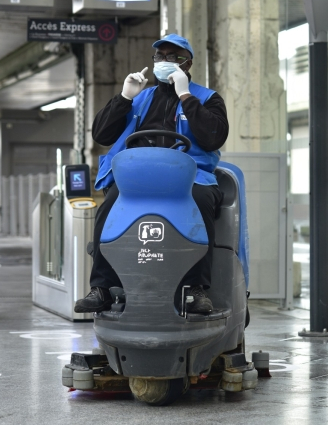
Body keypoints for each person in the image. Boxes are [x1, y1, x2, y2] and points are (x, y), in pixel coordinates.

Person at [74, 34, 229, 315]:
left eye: (174, 57)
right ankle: (102, 288)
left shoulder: (207, 98)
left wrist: (186, 95)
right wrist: (124, 97)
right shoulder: (139, 98)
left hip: (189, 178)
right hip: (138, 177)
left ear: (188, 63)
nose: (165, 61)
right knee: (109, 205)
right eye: (160, 57)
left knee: (201, 200)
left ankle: (194, 289)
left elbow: (213, 137)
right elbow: (101, 134)